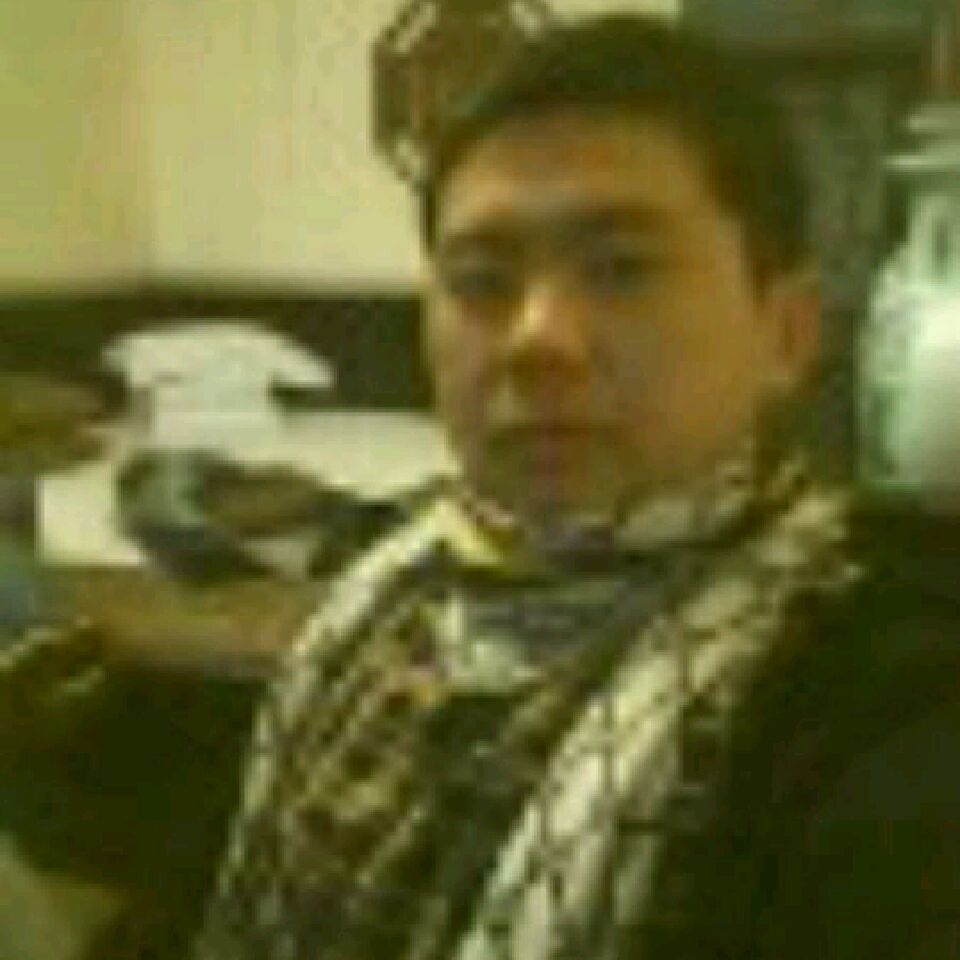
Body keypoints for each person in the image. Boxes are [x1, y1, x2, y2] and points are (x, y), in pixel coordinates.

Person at [193, 13, 960, 960]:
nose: (538, 339)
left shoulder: (867, 705)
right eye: (482, 282)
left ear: (787, 334)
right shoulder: (382, 598)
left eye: (622, 269)